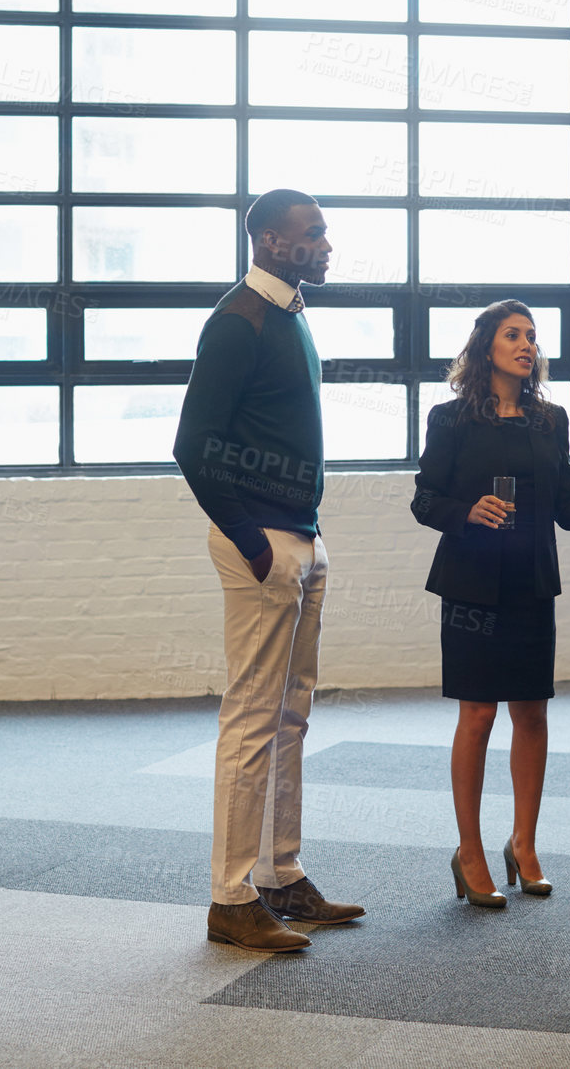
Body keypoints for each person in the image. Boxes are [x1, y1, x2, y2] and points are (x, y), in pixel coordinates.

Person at [173, 189, 363, 953]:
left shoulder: (289, 314)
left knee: (291, 716)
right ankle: (230, 896)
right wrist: (254, 542)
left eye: (323, 232)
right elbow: (193, 444)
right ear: (270, 241)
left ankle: (280, 874)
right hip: (263, 547)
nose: (325, 244)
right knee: (252, 719)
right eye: (312, 234)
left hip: (301, 540)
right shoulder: (238, 321)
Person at [411, 301, 570, 907]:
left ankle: (524, 844)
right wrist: (467, 512)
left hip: (532, 581)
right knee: (478, 715)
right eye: (513, 335)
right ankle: (470, 851)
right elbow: (424, 499)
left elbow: (565, 506)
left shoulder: (549, 419)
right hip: (472, 584)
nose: (527, 344)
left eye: (532, 336)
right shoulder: (450, 418)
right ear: (486, 347)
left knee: (531, 715)